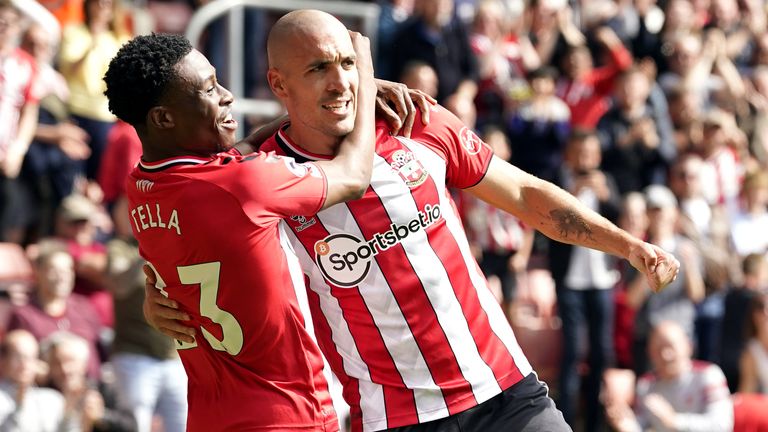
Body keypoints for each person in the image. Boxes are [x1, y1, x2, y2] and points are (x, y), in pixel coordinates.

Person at [146, 9, 681, 432]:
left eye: (347, 63)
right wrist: (156, 297)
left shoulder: (417, 122)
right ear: (278, 84)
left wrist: (626, 244)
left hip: (503, 390)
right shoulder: (260, 175)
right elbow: (185, 239)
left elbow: (524, 193)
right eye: (317, 70)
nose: (340, 84)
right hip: (393, 418)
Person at [102, 18, 387, 429]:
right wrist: (364, 78)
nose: (228, 96)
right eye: (208, 89)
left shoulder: (142, 186)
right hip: (288, 413)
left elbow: (237, 158)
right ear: (164, 119)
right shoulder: (242, 185)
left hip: (210, 416)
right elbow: (353, 176)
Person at [605, 320, 733, 432]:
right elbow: (641, 426)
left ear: (688, 347)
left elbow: (722, 426)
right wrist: (626, 424)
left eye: (670, 346)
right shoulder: (646, 385)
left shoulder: (708, 375)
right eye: (658, 349)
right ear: (650, 353)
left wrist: (675, 421)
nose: (665, 355)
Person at [0, 329, 66, 431]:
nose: (24, 364)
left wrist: (71, 413)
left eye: (30, 357)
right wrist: (20, 406)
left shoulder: (52, 399)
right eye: (18, 357)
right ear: (3, 360)